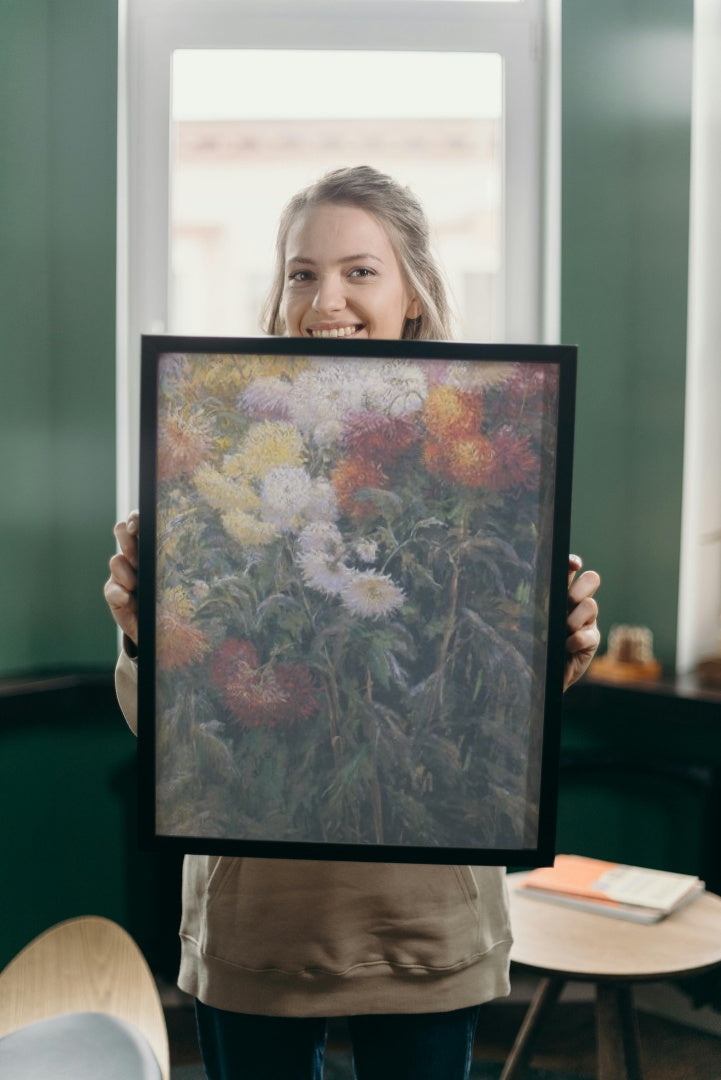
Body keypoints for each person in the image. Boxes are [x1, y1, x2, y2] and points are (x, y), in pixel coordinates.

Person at [105, 166, 601, 1080]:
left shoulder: (485, 449)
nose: (324, 298)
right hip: (257, 922)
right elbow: (170, 727)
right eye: (301, 272)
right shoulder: (211, 457)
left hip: (422, 922)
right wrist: (144, 634)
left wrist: (557, 647)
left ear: (413, 292)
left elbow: (483, 714)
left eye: (359, 271)